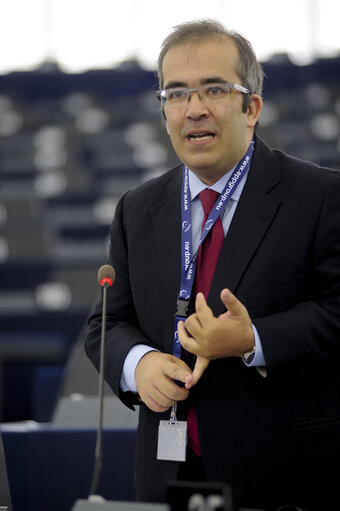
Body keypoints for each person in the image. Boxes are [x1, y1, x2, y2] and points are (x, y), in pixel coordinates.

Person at [85, 19, 340, 511]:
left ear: (253, 108)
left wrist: (254, 340)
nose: (194, 109)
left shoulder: (322, 196)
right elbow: (107, 321)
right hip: (168, 477)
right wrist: (139, 365)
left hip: (287, 477)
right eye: (176, 94)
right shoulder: (136, 208)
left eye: (215, 90)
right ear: (164, 112)